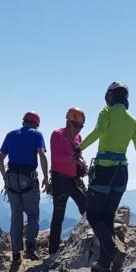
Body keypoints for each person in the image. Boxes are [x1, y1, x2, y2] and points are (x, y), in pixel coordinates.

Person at [80, 82, 136, 272]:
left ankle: (112, 249)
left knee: (94, 216)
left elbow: (97, 131)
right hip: (121, 173)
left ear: (110, 96)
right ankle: (104, 265)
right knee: (107, 217)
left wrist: (79, 149)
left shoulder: (106, 112)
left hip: (104, 171)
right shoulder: (133, 121)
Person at [0, 111, 49, 264]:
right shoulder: (36, 134)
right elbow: (42, 155)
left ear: (24, 121)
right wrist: (46, 177)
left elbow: (0, 159)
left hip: (11, 178)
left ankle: (15, 252)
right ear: (35, 124)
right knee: (33, 215)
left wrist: (4, 177)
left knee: (16, 215)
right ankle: (30, 248)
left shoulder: (10, 134)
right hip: (28, 178)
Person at [48, 107, 88, 255]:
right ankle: (53, 251)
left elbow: (78, 156)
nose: (78, 129)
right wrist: (76, 160)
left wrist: (82, 165)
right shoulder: (57, 134)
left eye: (81, 126)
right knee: (58, 216)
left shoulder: (79, 138)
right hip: (59, 180)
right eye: (76, 125)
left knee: (86, 207)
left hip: (73, 179)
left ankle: (90, 240)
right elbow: (56, 156)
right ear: (68, 121)